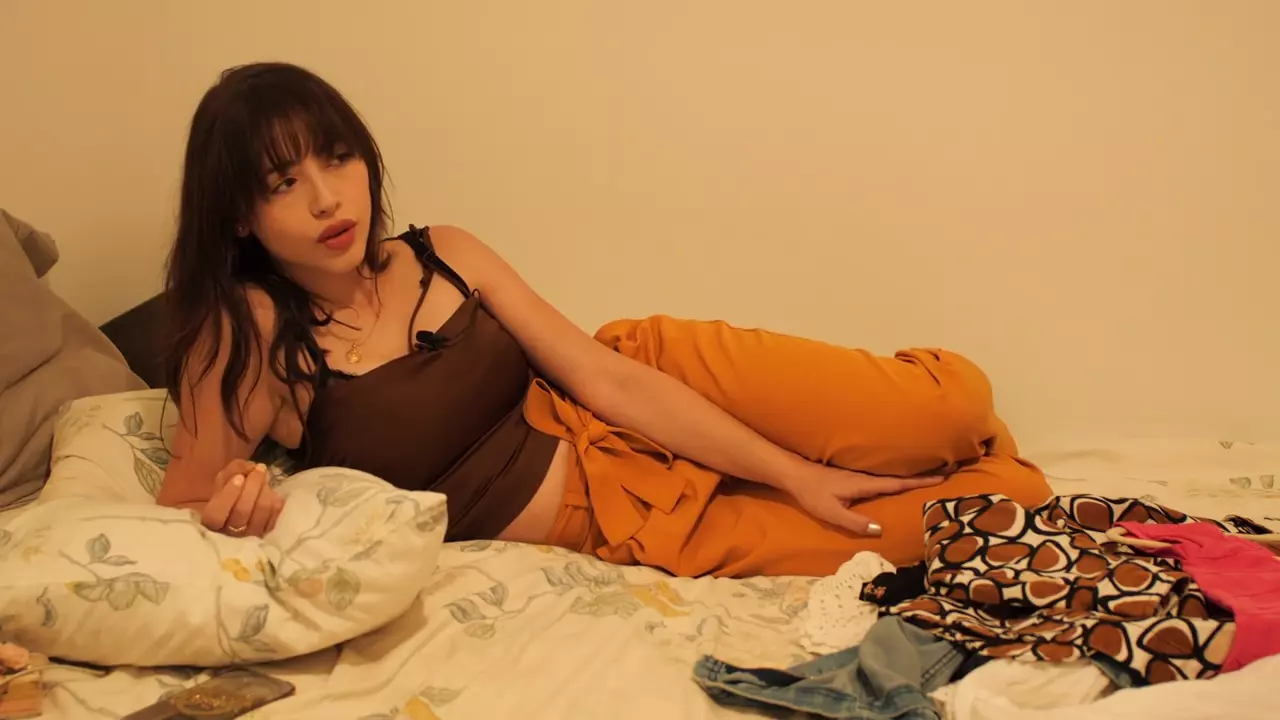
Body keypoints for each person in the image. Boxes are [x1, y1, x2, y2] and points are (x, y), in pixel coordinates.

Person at [158, 62, 1051, 578]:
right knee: (1006, 503)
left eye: (338, 158)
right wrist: (237, 512)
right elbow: (183, 507)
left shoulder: (443, 250)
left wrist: (794, 472)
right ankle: (959, 460)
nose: (327, 198)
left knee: (951, 407)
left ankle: (929, 440)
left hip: (653, 381)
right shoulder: (246, 332)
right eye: (284, 183)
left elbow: (602, 375)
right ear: (237, 216)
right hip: (621, 519)